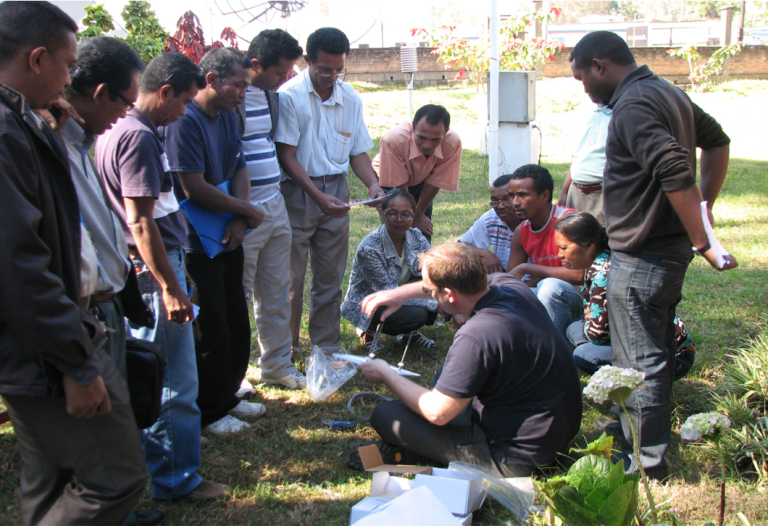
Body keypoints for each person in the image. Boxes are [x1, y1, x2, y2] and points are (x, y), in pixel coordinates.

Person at [0, 2, 146, 524]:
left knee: (51, 476)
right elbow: (18, 267)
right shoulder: (6, 134)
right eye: (66, 64)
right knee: (116, 479)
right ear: (37, 59)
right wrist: (78, 362)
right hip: (44, 344)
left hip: (42, 339)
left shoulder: (27, 123)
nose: (71, 78)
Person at [570, 31, 737, 479]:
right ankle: (636, 433)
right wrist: (703, 209)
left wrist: (701, 233)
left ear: (600, 65)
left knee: (638, 361)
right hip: (666, 252)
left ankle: (646, 465)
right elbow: (717, 141)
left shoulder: (634, 106)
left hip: (643, 256)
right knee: (653, 348)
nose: (583, 87)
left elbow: (672, 168)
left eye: (582, 77)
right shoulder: (666, 91)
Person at [96, 53, 231, 499]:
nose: (184, 112)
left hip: (144, 266)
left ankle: (155, 463)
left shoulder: (117, 129)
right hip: (155, 269)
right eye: (184, 101)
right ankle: (176, 478)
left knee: (149, 369)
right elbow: (140, 222)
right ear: (166, 92)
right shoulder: (137, 137)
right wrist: (172, 289)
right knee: (174, 378)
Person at [344, 243, 582, 476]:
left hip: (514, 456)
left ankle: (427, 455)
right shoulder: (511, 287)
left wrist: (386, 373)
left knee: (386, 415)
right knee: (442, 378)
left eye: (430, 290)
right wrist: (399, 294)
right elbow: (477, 281)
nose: (427, 293)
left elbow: (438, 413)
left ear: (448, 294)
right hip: (554, 433)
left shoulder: (476, 335)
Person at [165, 48, 267, 436]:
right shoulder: (183, 122)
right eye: (239, 85)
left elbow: (240, 167)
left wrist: (242, 217)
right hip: (197, 241)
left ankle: (228, 394)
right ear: (212, 80)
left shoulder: (228, 116)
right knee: (210, 326)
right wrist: (243, 212)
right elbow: (192, 188)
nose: (244, 93)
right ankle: (209, 409)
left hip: (230, 233)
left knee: (234, 319)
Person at [275, 27, 385, 354]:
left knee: (329, 278)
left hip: (336, 192)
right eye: (325, 69)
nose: (332, 76)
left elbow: (358, 151)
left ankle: (326, 346)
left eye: (339, 69)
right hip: (297, 192)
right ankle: (286, 349)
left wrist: (373, 183)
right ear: (308, 61)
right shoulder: (290, 96)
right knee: (291, 279)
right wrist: (317, 196)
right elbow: (287, 156)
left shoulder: (349, 97)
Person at [236, 29, 306, 390]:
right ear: (255, 64)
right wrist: (239, 210)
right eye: (280, 73)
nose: (285, 80)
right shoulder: (229, 98)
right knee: (236, 297)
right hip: (241, 213)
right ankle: (230, 376)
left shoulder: (270, 96)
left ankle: (277, 365)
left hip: (274, 204)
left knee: (278, 290)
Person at [554, 212, 697, 378]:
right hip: (636, 340)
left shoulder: (603, 274)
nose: (559, 254)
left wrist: (589, 318)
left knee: (585, 354)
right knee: (573, 328)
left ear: (588, 247)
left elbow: (597, 335)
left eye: (564, 248)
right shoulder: (601, 260)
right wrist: (590, 319)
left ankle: (633, 385)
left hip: (670, 357)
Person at [341, 189, 437, 352]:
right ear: (383, 214)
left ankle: (409, 334)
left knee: (438, 289)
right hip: (371, 302)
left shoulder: (416, 236)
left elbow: (435, 267)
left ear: (413, 215)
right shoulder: (370, 247)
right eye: (392, 214)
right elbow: (387, 293)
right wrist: (433, 301)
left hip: (400, 293)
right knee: (421, 313)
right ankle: (368, 330)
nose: (400, 220)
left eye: (406, 214)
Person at [505, 164, 583, 336]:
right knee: (507, 293)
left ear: (545, 196)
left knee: (549, 286)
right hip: (546, 294)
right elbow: (511, 279)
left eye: (523, 195)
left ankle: (553, 352)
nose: (515, 203)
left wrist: (529, 269)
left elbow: (581, 275)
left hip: (582, 300)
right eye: (512, 196)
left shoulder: (568, 221)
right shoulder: (522, 231)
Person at [373, 104, 462, 239]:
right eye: (422, 137)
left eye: (435, 139)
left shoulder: (452, 143)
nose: (427, 145)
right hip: (389, 178)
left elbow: (435, 181)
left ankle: (422, 259)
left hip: (421, 179)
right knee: (398, 227)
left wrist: (419, 214)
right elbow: (400, 187)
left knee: (421, 231)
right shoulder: (394, 140)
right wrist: (411, 217)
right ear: (413, 127)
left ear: (446, 132)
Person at [557, 101, 612, 226]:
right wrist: (565, 191)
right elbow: (576, 154)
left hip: (602, 195)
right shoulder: (584, 110)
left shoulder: (620, 112)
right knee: (573, 237)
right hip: (576, 192)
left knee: (600, 239)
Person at [459, 174, 521, 273]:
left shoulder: (532, 219)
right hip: (503, 280)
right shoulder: (490, 218)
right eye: (494, 201)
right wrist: (484, 253)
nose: (500, 206)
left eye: (507, 200)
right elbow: (459, 246)